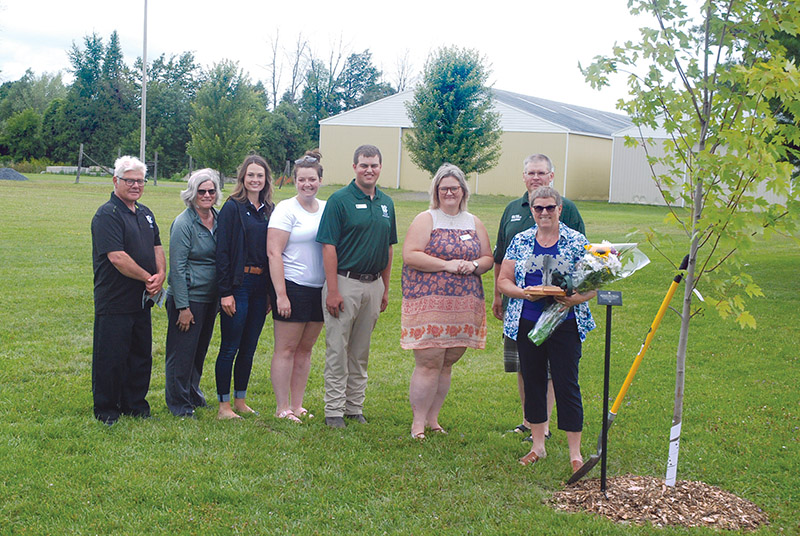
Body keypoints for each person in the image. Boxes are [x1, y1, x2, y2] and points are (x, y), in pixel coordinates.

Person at [497, 186, 596, 472]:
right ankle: (537, 446)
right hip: (529, 321)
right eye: (538, 208)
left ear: (559, 209)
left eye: (549, 208)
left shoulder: (576, 241)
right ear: (531, 209)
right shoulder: (521, 240)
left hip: (564, 322)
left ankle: (575, 454)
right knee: (534, 382)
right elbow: (504, 280)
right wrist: (522, 293)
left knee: (567, 384)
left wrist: (574, 298)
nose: (543, 213)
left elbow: (592, 284)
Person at [492, 154, 585, 441]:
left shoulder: (569, 215)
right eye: (530, 172)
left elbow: (585, 270)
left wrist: (575, 296)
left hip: (561, 313)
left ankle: (547, 427)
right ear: (524, 177)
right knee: (526, 369)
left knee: (560, 373)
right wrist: (502, 295)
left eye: (541, 172)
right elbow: (501, 261)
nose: (535, 177)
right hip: (522, 309)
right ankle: (530, 423)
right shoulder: (512, 212)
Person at [402, 164, 494, 439]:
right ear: (437, 192)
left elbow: (488, 258)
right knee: (429, 362)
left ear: (463, 191)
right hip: (430, 303)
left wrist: (474, 264)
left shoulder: (474, 222)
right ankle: (418, 423)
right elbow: (411, 255)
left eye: (455, 188)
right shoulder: (426, 219)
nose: (450, 193)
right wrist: (448, 264)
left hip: (464, 305)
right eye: (444, 189)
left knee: (447, 362)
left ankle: (433, 419)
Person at [316, 144, 397, 428]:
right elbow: (328, 246)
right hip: (344, 282)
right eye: (364, 165)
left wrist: (385, 289)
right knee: (338, 348)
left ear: (380, 167)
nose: (369, 170)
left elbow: (388, 248)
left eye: (374, 165)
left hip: (373, 284)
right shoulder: (339, 200)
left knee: (360, 351)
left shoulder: (387, 203)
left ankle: (354, 407)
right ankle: (334, 410)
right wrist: (333, 290)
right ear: (354, 168)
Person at [91, 155, 166, 425]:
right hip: (114, 299)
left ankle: (135, 405)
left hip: (142, 300)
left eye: (140, 181)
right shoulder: (107, 215)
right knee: (111, 356)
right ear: (115, 181)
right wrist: (149, 277)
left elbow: (157, 246)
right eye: (129, 180)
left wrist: (160, 276)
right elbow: (117, 257)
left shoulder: (145, 213)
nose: (135, 185)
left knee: (139, 355)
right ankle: (107, 409)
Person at [266, 150, 327, 423]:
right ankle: (282, 408)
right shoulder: (285, 209)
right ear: (294, 181)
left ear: (320, 180)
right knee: (286, 349)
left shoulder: (326, 209)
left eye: (312, 179)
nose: (307, 185)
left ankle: (298, 404)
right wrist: (281, 294)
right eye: (302, 180)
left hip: (319, 288)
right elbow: (273, 253)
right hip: (292, 286)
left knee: (305, 349)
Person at [214, 154, 274, 420]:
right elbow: (222, 252)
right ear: (242, 178)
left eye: (260, 175)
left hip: (261, 286)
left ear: (266, 179)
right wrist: (225, 292)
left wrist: (272, 293)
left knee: (249, 347)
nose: (255, 179)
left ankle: (240, 400)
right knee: (230, 346)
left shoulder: (270, 210)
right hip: (238, 286)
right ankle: (223, 406)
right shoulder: (232, 207)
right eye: (251, 175)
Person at [164, 169, 221, 418]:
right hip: (188, 298)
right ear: (192, 193)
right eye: (201, 191)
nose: (207, 195)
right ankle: (179, 403)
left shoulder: (218, 219)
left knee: (198, 350)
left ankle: (192, 393)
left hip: (210, 299)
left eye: (211, 191)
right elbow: (176, 268)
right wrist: (183, 308)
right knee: (182, 353)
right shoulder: (184, 223)